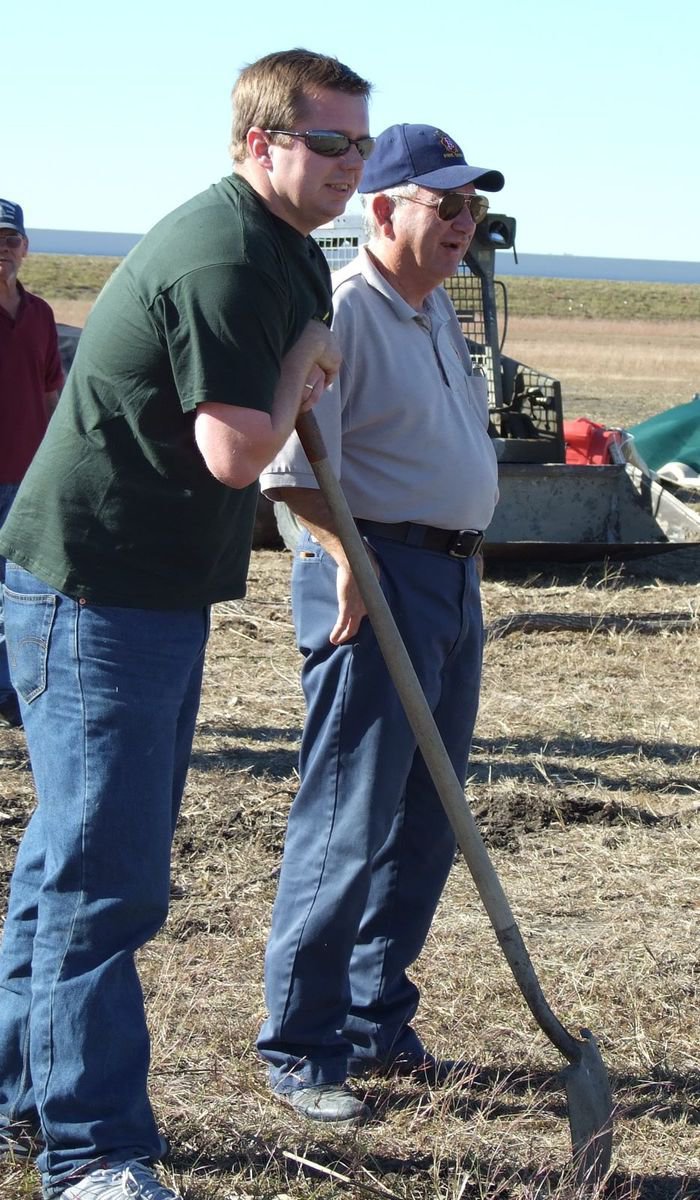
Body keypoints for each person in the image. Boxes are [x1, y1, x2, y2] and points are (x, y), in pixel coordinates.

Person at [0, 49, 372, 1200]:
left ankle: (25, 1096)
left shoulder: (287, 249)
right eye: (328, 144)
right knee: (103, 883)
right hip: (96, 589)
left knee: (70, 864)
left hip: (148, 588)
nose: (348, 168)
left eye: (359, 145)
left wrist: (296, 377)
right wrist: (303, 366)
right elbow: (230, 453)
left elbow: (270, 402)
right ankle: (91, 1151)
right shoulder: (225, 256)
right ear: (260, 142)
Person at [257, 123, 504, 1125]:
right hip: (374, 573)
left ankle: (373, 1018)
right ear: (385, 208)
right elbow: (288, 470)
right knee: (349, 816)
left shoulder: (433, 308)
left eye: (473, 207)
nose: (464, 223)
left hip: (449, 576)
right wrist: (348, 564)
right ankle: (302, 1046)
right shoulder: (344, 311)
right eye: (446, 205)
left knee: (426, 816)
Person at [0, 199, 63, 729]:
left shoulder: (40, 313)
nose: (2, 250)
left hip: (25, 475)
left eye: (9, 239)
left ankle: (9, 690)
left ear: (24, 246)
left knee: (17, 587)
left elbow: (49, 392)